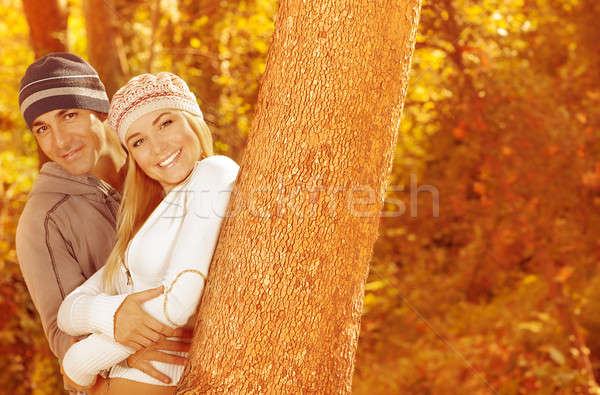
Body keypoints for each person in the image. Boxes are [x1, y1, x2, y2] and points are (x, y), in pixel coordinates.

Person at [16, 54, 191, 394]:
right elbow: (60, 332)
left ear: (101, 111)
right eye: (43, 129)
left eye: (69, 116)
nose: (60, 141)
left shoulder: (155, 166)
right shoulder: (44, 219)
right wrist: (123, 354)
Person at [56, 72, 239, 394]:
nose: (157, 148)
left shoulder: (215, 172)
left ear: (193, 121)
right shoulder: (148, 218)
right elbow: (69, 311)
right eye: (138, 141)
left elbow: (178, 303)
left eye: (165, 123)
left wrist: (80, 362)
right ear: (134, 156)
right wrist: (113, 315)